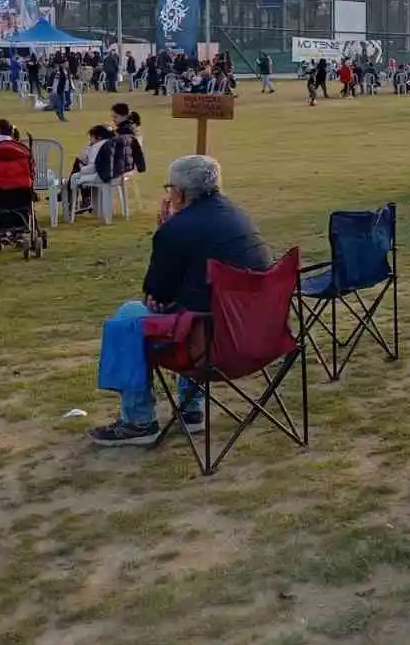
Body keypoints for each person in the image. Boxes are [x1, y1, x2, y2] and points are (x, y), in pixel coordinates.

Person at [90, 155, 274, 446]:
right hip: (259, 337)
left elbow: (155, 293)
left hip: (210, 348)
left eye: (169, 187)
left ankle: (138, 421)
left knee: (129, 316)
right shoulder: (238, 215)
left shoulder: (176, 230)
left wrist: (166, 231)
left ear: (181, 193)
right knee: (195, 306)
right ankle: (191, 408)